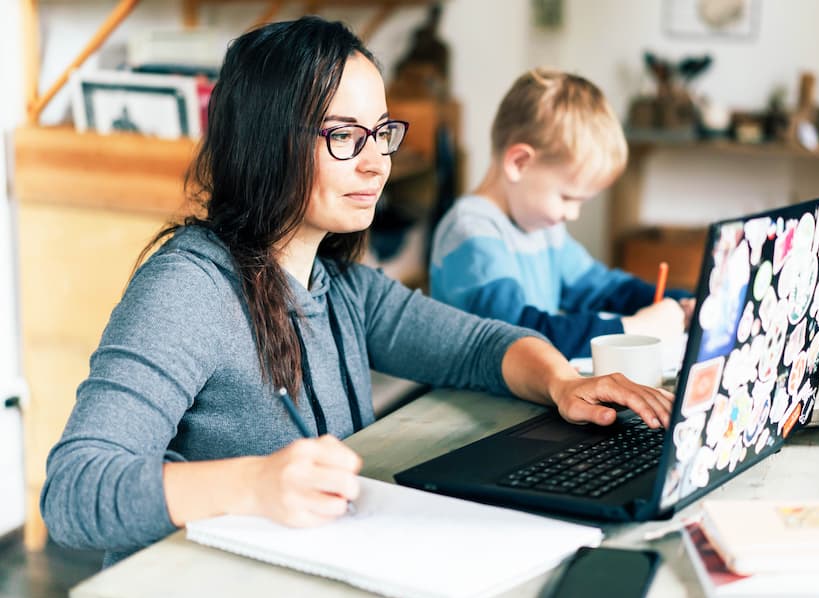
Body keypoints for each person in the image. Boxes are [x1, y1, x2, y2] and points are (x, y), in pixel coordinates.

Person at [40, 18, 673, 567]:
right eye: (344, 136)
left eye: (380, 133)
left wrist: (561, 382)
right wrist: (254, 483)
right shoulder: (188, 290)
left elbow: (478, 345)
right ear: (269, 141)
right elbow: (72, 492)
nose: (376, 162)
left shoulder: (341, 287)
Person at [429, 69, 695, 359]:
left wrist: (681, 303)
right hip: (470, 400)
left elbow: (602, 289)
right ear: (519, 163)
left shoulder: (542, 227)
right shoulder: (471, 232)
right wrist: (632, 328)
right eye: (567, 197)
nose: (573, 213)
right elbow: (521, 335)